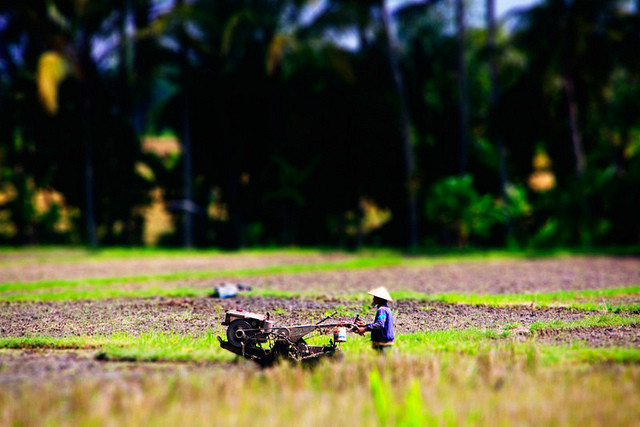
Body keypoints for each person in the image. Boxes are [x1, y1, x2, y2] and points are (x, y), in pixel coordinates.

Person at [356, 286, 394, 353]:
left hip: (382, 342)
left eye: (375, 297)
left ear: (380, 299)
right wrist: (365, 326)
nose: (373, 299)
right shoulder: (387, 309)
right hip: (386, 341)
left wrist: (365, 329)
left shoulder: (382, 310)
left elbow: (380, 324)